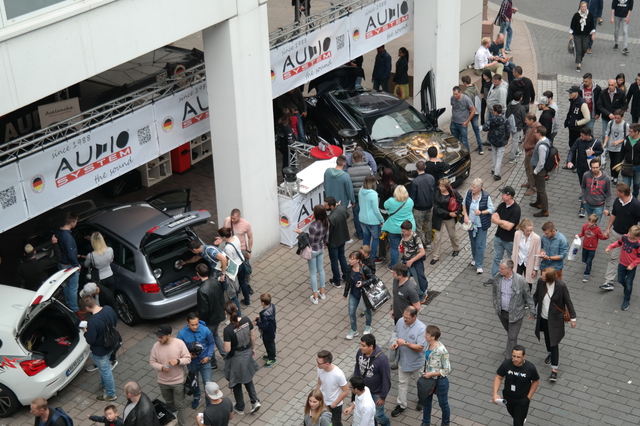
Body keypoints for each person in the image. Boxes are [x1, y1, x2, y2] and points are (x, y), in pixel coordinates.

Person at [533, 268, 577, 382]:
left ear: (550, 278)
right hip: (543, 317)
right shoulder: (541, 282)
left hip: (555, 320)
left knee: (554, 343)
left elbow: (568, 301)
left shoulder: (561, 286)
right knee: (547, 337)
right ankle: (550, 354)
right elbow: (536, 296)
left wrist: (573, 318)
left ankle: (554, 371)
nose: (541, 277)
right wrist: (532, 310)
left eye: (543, 276)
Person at [222, 301, 261, 415]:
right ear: (237, 309)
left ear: (226, 313)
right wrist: (253, 349)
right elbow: (252, 336)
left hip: (236, 358)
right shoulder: (247, 320)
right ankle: (254, 401)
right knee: (248, 378)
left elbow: (227, 349)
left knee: (236, 381)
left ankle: (240, 406)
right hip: (247, 352)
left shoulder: (228, 330)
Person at [492, 260, 535, 359]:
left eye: (502, 268)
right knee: (510, 333)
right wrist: (496, 305)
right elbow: (494, 293)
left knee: (512, 337)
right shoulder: (498, 277)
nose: (499, 270)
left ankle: (509, 359)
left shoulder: (520, 280)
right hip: (502, 313)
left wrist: (532, 311)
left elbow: (528, 297)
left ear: (509, 270)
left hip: (516, 314)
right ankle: (510, 349)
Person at [149, 324, 191, 426]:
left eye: (161, 337)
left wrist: (178, 361)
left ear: (168, 335)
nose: (158, 339)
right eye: (158, 337)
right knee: (169, 403)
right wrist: (161, 367)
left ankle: (182, 424)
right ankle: (172, 421)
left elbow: (188, 358)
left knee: (179, 405)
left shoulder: (179, 344)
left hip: (178, 381)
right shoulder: (156, 346)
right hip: (163, 382)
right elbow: (152, 361)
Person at [80, 295, 119, 401]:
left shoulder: (92, 322)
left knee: (106, 371)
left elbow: (90, 340)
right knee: (104, 368)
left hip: (101, 350)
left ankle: (111, 394)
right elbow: (115, 321)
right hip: (112, 343)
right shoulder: (108, 309)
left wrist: (85, 332)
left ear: (87, 308)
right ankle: (104, 384)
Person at [390, 306, 427, 418]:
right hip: (403, 361)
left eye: (407, 318)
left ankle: (422, 400)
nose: (404, 319)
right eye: (404, 316)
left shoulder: (421, 328)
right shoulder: (400, 322)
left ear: (414, 317)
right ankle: (401, 405)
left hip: (416, 363)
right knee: (402, 384)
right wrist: (395, 342)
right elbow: (396, 334)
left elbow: (420, 348)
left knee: (420, 384)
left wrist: (405, 343)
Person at [602, 183, 640, 290]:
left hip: (630, 239)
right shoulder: (617, 201)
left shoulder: (636, 205)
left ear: (622, 193)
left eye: (617, 191)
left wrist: (637, 236)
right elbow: (614, 214)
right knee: (613, 257)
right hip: (617, 233)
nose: (615, 193)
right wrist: (608, 228)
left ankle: (626, 275)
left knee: (628, 259)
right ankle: (608, 282)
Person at [492, 345, 540, 426]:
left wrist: (528, 397)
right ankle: (520, 417)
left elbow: (535, 381)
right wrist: (495, 393)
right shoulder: (507, 364)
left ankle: (520, 419)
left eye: (518, 357)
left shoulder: (530, 368)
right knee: (513, 414)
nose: (515, 359)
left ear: (524, 356)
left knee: (517, 422)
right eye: (513, 356)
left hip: (522, 399)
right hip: (508, 397)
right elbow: (498, 377)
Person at [177, 313, 216, 409]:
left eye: (196, 324)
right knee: (195, 382)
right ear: (187, 323)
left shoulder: (205, 330)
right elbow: (178, 349)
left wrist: (209, 356)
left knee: (208, 384)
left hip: (205, 362)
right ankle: (197, 397)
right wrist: (187, 355)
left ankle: (209, 403)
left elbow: (211, 343)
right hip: (192, 364)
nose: (195, 327)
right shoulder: (181, 334)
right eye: (192, 325)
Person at [485, 186, 521, 286]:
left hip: (510, 240)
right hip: (498, 237)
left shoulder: (516, 210)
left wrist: (499, 221)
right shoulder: (502, 205)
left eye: (503, 194)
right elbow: (492, 218)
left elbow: (509, 227)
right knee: (497, 258)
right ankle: (494, 278)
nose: (501, 195)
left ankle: (511, 280)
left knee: (511, 260)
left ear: (509, 196)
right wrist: (503, 223)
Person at [353, 334, 391, 426]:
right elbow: (357, 367)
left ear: (371, 346)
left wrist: (382, 396)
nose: (360, 347)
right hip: (364, 391)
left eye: (363, 345)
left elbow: (387, 379)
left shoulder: (382, 359)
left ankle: (387, 424)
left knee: (378, 415)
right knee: (370, 416)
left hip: (376, 393)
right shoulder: (360, 352)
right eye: (360, 344)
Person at [567, 127, 604, 217]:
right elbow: (572, 150)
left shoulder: (596, 142)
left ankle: (582, 208)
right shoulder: (579, 141)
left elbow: (601, 151)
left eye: (583, 136)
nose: (581, 137)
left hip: (589, 168)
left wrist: (593, 152)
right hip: (580, 166)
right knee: (582, 184)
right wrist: (569, 161)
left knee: (586, 187)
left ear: (588, 136)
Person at [420, 325, 451, 426]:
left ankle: (445, 423)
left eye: (427, 334)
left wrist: (431, 374)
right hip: (428, 380)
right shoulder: (428, 345)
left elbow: (447, 370)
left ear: (433, 337)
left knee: (443, 404)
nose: (425, 336)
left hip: (440, 381)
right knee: (426, 402)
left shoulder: (441, 350)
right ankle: (425, 422)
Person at [462, 178, 495, 274]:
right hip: (471, 224)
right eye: (472, 186)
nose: (472, 188)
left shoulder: (485, 196)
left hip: (481, 225)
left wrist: (481, 212)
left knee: (480, 244)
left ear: (480, 189)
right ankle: (475, 258)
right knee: (473, 243)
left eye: (474, 187)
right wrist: (465, 216)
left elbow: (491, 209)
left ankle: (479, 265)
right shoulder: (468, 193)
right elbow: (464, 204)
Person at [197, 263, 228, 360]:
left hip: (210, 320)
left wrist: (201, 322)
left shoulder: (202, 290)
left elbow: (204, 309)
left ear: (198, 274)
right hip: (219, 314)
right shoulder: (216, 282)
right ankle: (226, 355)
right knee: (215, 335)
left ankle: (213, 362)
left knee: (208, 340)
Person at [605, 225, 640, 311]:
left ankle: (626, 299)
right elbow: (618, 243)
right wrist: (610, 247)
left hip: (631, 267)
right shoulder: (624, 238)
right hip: (622, 264)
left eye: (630, 234)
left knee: (629, 283)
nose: (627, 234)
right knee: (620, 280)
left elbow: (639, 257)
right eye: (628, 232)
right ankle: (627, 288)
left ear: (635, 237)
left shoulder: (637, 245)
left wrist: (632, 265)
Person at [299, 205, 328, 304]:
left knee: (312, 273)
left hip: (313, 250)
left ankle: (315, 296)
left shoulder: (313, 226)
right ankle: (322, 293)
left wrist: (301, 233)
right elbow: (326, 237)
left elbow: (310, 241)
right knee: (321, 270)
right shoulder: (326, 222)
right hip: (321, 248)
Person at [382, 186, 415, 269]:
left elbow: (385, 206)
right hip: (408, 227)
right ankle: (406, 262)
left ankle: (394, 266)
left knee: (394, 248)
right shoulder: (410, 201)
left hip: (394, 228)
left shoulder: (391, 201)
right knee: (408, 246)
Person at [343, 251, 374, 339]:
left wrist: (363, 283)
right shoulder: (349, 268)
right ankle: (354, 330)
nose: (350, 260)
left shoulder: (364, 269)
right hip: (354, 293)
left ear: (358, 260)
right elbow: (348, 281)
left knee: (367, 310)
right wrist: (345, 293)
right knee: (351, 312)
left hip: (364, 294)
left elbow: (373, 278)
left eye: (352, 259)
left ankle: (368, 325)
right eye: (350, 258)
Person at [431, 178, 462, 265]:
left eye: (442, 186)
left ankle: (456, 248)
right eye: (440, 185)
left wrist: (457, 212)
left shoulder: (453, 192)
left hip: (449, 218)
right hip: (439, 218)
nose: (440, 187)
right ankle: (435, 256)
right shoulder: (436, 193)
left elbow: (460, 201)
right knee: (437, 238)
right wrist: (449, 213)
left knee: (452, 235)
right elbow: (436, 209)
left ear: (447, 187)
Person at [223, 209, 254, 294]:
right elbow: (225, 233)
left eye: (235, 219)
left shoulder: (246, 224)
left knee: (245, 269)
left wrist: (249, 251)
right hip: (230, 249)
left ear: (239, 216)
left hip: (242, 249)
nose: (232, 220)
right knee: (233, 268)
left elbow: (250, 237)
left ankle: (247, 285)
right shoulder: (227, 220)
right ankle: (238, 285)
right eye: (232, 218)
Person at [217, 227, 250, 307]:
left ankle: (236, 303)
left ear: (224, 237)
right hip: (242, 263)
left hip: (235, 268)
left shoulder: (227, 248)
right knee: (243, 282)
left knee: (235, 286)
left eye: (221, 237)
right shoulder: (236, 238)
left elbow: (229, 260)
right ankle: (247, 300)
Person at [55, 211, 80, 313]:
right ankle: (74, 309)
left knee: (65, 284)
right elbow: (71, 254)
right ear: (72, 223)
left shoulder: (59, 231)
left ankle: (68, 303)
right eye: (76, 222)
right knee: (73, 287)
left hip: (61, 263)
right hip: (69, 265)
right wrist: (77, 265)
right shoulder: (68, 237)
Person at [316, 350, 349, 426]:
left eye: (319, 363)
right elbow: (319, 383)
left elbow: (346, 391)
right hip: (322, 401)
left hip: (334, 404)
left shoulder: (338, 374)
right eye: (317, 361)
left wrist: (334, 403)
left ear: (327, 363)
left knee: (336, 423)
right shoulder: (320, 369)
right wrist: (316, 396)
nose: (317, 364)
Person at [84, 231, 116, 310]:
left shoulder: (91, 255)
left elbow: (85, 265)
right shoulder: (110, 250)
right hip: (110, 277)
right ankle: (113, 312)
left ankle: (105, 314)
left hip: (99, 280)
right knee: (111, 298)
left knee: (102, 300)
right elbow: (111, 260)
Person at [409, 160, 435, 250]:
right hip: (429, 206)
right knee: (428, 224)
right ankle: (428, 243)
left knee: (418, 226)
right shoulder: (431, 177)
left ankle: (421, 244)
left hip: (418, 208)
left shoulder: (415, 182)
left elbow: (412, 197)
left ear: (416, 169)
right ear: (425, 167)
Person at [400, 220, 428, 303]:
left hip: (415, 262)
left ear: (409, 230)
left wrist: (411, 261)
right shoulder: (404, 235)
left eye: (404, 231)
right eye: (402, 231)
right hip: (405, 260)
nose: (402, 233)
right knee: (404, 278)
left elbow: (422, 252)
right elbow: (402, 243)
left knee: (419, 278)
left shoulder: (416, 238)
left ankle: (422, 293)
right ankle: (405, 293)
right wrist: (400, 248)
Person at [348, 150, 373, 240]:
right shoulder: (368, 169)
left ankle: (359, 233)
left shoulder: (349, 171)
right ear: (362, 158)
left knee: (356, 214)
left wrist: (351, 200)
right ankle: (368, 232)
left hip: (355, 196)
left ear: (353, 160)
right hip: (366, 195)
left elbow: (349, 186)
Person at [325, 196, 350, 288]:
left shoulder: (331, 218)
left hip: (333, 242)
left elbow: (328, 233)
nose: (324, 207)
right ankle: (346, 277)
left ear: (331, 206)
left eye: (326, 205)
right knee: (342, 257)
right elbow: (347, 215)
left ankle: (336, 280)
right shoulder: (342, 208)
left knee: (334, 261)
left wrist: (325, 242)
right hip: (342, 238)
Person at [511, 218, 541, 292]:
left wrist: (535, 268)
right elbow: (515, 248)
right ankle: (516, 296)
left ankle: (527, 298)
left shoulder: (536, 238)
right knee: (516, 280)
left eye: (531, 230)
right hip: (519, 260)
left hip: (529, 262)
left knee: (528, 282)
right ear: (523, 229)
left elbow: (537, 254)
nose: (529, 232)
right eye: (528, 231)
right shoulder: (517, 234)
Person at [359, 175, 384, 261]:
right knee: (375, 238)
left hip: (362, 218)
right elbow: (376, 210)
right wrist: (381, 220)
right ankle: (372, 256)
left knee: (366, 237)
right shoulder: (373, 194)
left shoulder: (361, 190)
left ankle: (364, 254)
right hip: (373, 221)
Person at [576, 214, 607, 283]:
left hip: (592, 248)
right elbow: (582, 233)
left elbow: (601, 237)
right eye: (589, 221)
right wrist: (578, 236)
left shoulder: (597, 230)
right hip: (585, 246)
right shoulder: (584, 226)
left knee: (589, 261)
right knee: (584, 259)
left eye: (592, 222)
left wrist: (606, 237)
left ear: (595, 222)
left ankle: (586, 274)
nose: (590, 223)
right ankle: (587, 264)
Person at [580, 157, 612, 224]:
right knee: (590, 223)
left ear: (600, 166)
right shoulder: (586, 175)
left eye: (597, 167)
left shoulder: (606, 178)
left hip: (599, 206)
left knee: (594, 225)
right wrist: (584, 199)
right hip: (588, 204)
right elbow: (583, 187)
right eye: (593, 167)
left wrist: (607, 208)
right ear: (590, 167)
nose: (595, 169)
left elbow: (609, 194)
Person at [482, 104, 510, 180]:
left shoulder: (491, 119)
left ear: (495, 111)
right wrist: (506, 139)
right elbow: (508, 131)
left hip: (493, 140)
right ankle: (496, 174)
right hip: (501, 141)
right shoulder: (505, 120)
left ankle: (493, 168)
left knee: (494, 154)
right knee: (499, 156)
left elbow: (485, 128)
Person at [376, 168, 397, 262]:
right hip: (392, 212)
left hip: (382, 210)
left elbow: (379, 197)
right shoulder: (395, 187)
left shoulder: (380, 186)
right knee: (391, 232)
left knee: (382, 233)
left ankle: (381, 255)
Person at [604, 109, 629, 182]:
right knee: (612, 161)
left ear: (622, 117)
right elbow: (607, 133)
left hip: (620, 147)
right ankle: (612, 175)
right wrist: (605, 143)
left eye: (618, 118)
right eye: (615, 118)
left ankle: (615, 177)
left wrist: (618, 141)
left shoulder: (625, 125)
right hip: (611, 146)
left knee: (617, 162)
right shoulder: (611, 123)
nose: (616, 120)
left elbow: (627, 137)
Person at [570, 1, 596, 72]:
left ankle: (580, 58)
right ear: (580, 7)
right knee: (578, 48)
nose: (584, 8)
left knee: (584, 48)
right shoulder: (576, 15)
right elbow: (572, 25)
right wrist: (571, 34)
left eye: (585, 7)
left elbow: (592, 26)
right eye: (582, 7)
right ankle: (579, 64)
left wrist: (593, 34)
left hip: (586, 35)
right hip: (577, 34)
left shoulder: (590, 15)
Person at [530, 126, 551, 217]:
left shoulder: (542, 146)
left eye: (535, 132)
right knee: (539, 187)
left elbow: (541, 162)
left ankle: (545, 210)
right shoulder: (546, 140)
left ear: (539, 134)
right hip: (540, 169)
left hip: (540, 170)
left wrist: (535, 171)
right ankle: (538, 203)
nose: (534, 134)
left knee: (541, 189)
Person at [461, 75, 485, 153]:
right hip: (477, 111)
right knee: (476, 129)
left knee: (464, 129)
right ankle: (480, 147)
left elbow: (465, 104)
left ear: (464, 83)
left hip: (469, 113)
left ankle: (464, 147)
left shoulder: (466, 93)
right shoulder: (475, 87)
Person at [565, 86, 591, 151]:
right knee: (571, 145)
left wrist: (577, 123)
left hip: (578, 130)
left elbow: (587, 118)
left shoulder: (582, 104)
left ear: (576, 93)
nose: (569, 94)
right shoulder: (573, 101)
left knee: (579, 147)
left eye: (571, 93)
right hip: (572, 128)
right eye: (569, 93)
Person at [450, 85, 475, 152]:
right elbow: (453, 107)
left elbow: (473, 110)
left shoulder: (466, 99)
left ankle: (467, 154)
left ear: (460, 92)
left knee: (464, 140)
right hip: (454, 122)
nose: (455, 96)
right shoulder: (452, 98)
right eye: (454, 94)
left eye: (456, 94)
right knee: (455, 140)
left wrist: (467, 122)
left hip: (462, 124)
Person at [255, 293, 277, 367]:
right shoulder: (272, 306)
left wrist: (257, 323)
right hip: (272, 328)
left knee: (269, 344)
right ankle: (270, 354)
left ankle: (272, 358)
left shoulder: (264, 314)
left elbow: (265, 326)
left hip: (267, 332)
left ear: (263, 303)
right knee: (269, 343)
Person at [619, 123, 640, 197]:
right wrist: (619, 162)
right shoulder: (626, 140)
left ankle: (634, 197)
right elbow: (622, 152)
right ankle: (626, 198)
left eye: (631, 132)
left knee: (637, 184)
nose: (629, 133)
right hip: (627, 165)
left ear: (636, 132)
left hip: (638, 166)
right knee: (625, 185)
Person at [506, 91, 526, 163]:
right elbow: (523, 117)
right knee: (515, 140)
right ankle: (512, 157)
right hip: (517, 126)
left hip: (509, 125)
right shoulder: (521, 107)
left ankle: (517, 151)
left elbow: (506, 114)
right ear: (520, 98)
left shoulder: (509, 104)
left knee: (515, 139)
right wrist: (524, 126)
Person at [521, 113, 539, 195]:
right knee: (527, 168)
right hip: (528, 152)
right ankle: (529, 182)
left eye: (526, 120)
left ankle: (533, 188)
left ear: (532, 120)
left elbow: (538, 143)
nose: (525, 121)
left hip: (532, 153)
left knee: (531, 171)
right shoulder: (531, 126)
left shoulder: (537, 129)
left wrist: (532, 151)